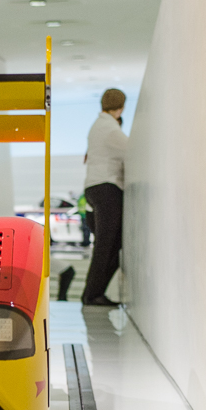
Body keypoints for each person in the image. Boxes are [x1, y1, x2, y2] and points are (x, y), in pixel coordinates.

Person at [81, 88, 127, 306]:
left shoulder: (98, 126)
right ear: (121, 108)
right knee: (106, 245)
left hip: (95, 188)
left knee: (113, 243)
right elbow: (132, 150)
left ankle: (94, 292)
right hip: (106, 188)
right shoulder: (109, 128)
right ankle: (92, 295)